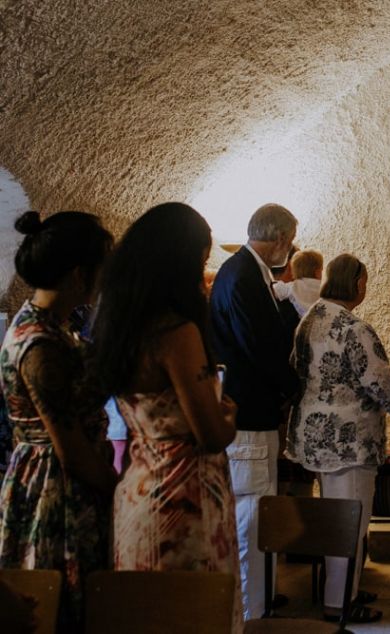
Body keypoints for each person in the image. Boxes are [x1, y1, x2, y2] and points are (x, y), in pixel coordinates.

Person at [90, 202, 242, 630]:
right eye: (199, 260)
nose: (202, 273)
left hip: (137, 489)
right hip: (183, 495)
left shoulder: (120, 327)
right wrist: (228, 415)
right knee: (193, 617)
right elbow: (210, 433)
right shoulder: (176, 333)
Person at [286, 254, 390, 624]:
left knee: (336, 517)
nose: (366, 288)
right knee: (351, 521)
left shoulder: (310, 319)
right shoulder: (353, 328)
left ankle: (345, 588)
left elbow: (295, 368)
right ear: (355, 283)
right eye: (364, 281)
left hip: (314, 435)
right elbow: (379, 380)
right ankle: (339, 603)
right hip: (348, 440)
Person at [0, 211, 116, 627]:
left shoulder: (54, 327)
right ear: (79, 274)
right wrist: (119, 491)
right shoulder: (40, 344)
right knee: (65, 603)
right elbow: (69, 451)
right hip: (56, 487)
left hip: (60, 477)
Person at [210, 203, 300, 619]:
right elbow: (261, 348)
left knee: (254, 516)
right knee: (252, 520)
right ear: (279, 238)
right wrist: (293, 389)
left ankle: (256, 604)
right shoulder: (244, 276)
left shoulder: (242, 272)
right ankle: (251, 614)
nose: (292, 247)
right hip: (249, 414)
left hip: (251, 410)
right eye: (290, 239)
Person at [273, 248, 323, 318]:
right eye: (321, 271)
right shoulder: (322, 289)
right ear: (317, 272)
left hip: (306, 321)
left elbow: (273, 291)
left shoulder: (292, 286)